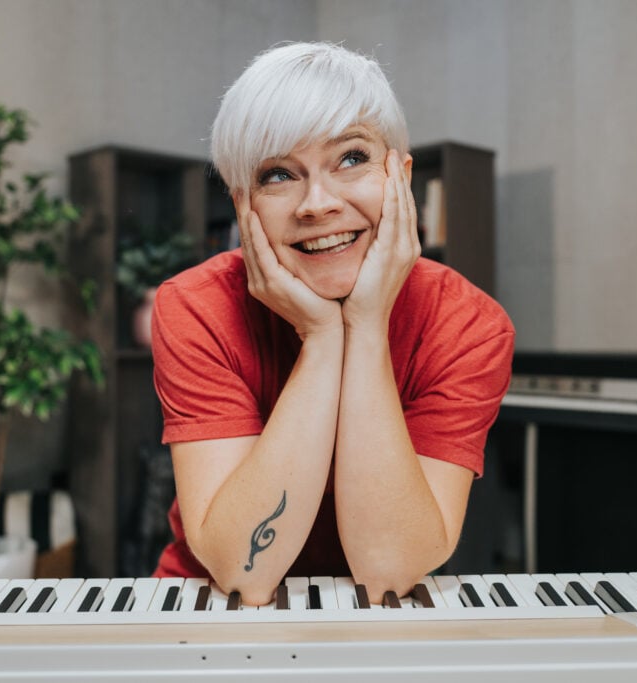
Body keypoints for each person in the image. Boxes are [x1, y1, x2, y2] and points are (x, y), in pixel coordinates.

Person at [150, 42, 515, 606]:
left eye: (350, 158)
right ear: (242, 206)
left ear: (402, 174)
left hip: (378, 618)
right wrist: (321, 340)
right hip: (212, 604)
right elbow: (242, 571)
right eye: (278, 175)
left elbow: (387, 572)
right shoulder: (197, 307)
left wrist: (365, 329)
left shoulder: (469, 326)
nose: (316, 204)